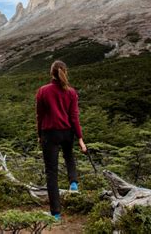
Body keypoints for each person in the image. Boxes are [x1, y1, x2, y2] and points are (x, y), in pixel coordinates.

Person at [36, 60, 87, 221]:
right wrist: (80, 138)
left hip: (49, 134)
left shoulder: (43, 91)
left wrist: (39, 134)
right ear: (65, 72)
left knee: (51, 173)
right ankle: (73, 183)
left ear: (52, 73)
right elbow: (74, 117)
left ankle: (56, 214)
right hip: (67, 133)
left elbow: (40, 116)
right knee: (69, 156)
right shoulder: (71, 92)